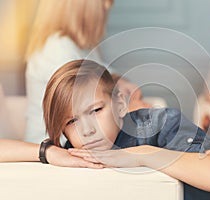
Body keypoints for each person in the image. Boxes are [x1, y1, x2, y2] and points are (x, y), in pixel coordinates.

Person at [39, 59, 210, 199]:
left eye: (96, 110)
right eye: (71, 121)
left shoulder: (161, 123)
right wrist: (45, 151)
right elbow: (7, 151)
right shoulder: (70, 153)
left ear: (120, 104)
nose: (87, 130)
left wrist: (142, 155)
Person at [25, 0, 149, 144]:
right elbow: (81, 105)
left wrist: (117, 79)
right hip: (57, 145)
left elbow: (100, 71)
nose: (106, 7)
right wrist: (130, 111)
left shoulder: (80, 45)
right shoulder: (58, 49)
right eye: (103, 3)